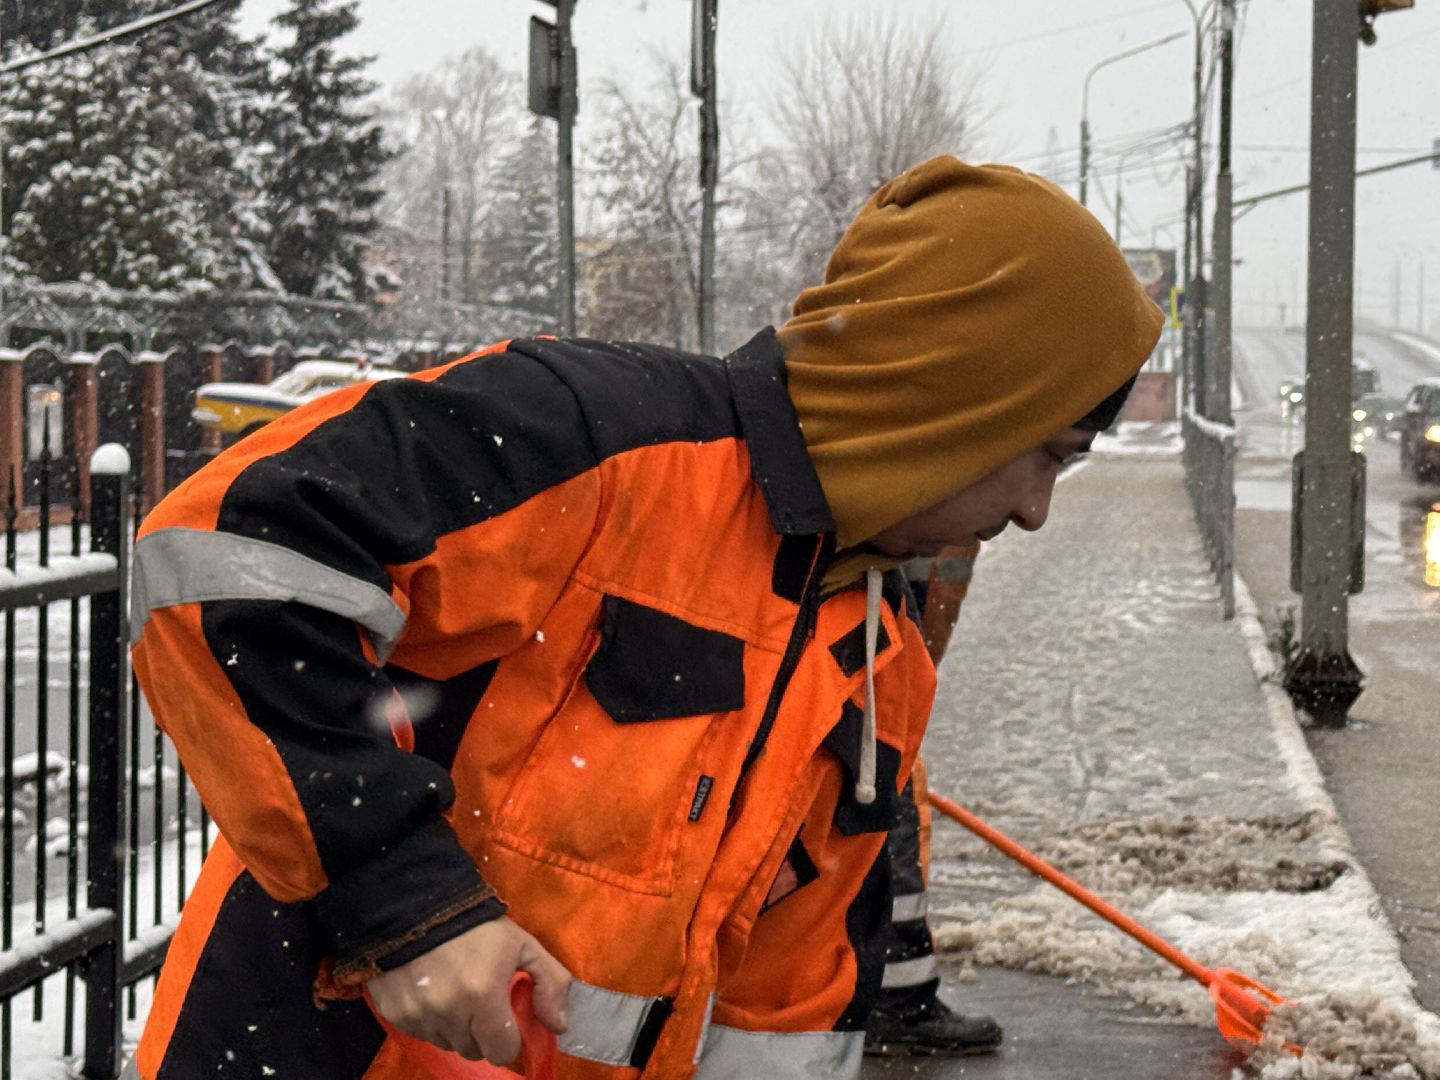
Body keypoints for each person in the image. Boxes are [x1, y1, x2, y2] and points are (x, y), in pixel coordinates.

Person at [127, 157, 1161, 1079]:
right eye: (1052, 453)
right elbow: (227, 556)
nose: (1036, 512)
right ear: (957, 402)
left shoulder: (877, 660)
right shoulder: (598, 442)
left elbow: (785, 1023)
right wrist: (406, 903)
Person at [864, 543, 1006, 1057]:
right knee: (881, 808)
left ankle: (874, 990)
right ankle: (897, 998)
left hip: (870, 636)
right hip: (864, 642)